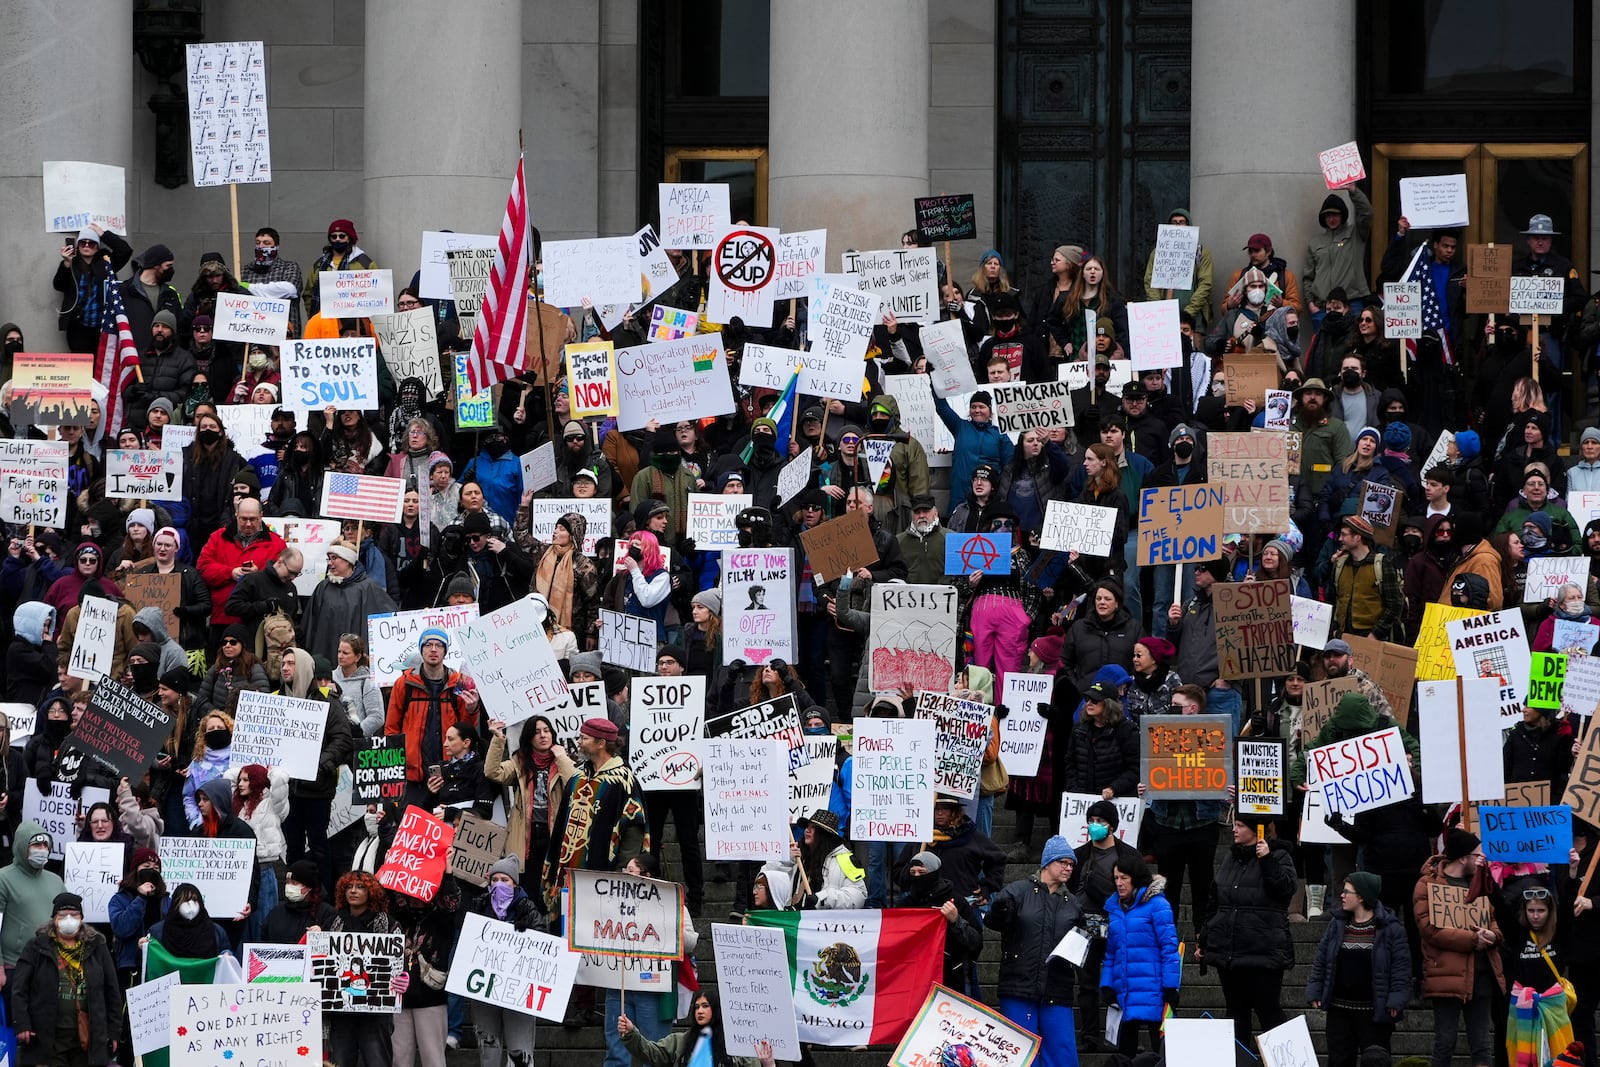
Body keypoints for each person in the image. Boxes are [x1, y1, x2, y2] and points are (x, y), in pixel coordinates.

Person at [986, 836, 1084, 1067]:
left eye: (1071, 864)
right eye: (1063, 862)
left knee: (1063, 1053)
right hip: (1018, 986)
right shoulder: (1017, 891)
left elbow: (1081, 943)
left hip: (1057, 987)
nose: (1068, 868)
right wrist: (999, 911)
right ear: (1047, 863)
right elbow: (994, 923)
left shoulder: (1073, 903)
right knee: (1019, 1054)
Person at [1198, 819, 1296, 1050]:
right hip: (1231, 956)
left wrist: (1267, 860)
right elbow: (1216, 902)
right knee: (1235, 1015)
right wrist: (1204, 939)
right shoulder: (1231, 857)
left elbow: (1284, 891)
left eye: (1240, 825)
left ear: (1256, 829)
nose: (1234, 829)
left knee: (1269, 1014)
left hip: (1263, 954)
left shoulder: (1279, 856)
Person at [1413, 829, 1504, 1067]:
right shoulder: (1428, 884)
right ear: (1463, 857)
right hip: (1446, 975)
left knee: (1482, 1044)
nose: (1482, 859)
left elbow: (1493, 920)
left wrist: (1492, 935)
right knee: (1445, 1042)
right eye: (1478, 855)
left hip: (1482, 974)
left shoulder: (1479, 882)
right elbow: (1430, 929)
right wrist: (1473, 940)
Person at [541, 718, 649, 914]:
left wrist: (623, 870)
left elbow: (633, 826)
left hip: (604, 873)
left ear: (601, 743)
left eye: (584, 738)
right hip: (569, 870)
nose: (579, 742)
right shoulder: (577, 777)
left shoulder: (623, 780)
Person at [1307, 872, 1411, 1066]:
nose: (1342, 896)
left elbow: (1401, 968)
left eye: (1347, 892)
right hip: (1339, 1011)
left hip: (1373, 1012)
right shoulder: (1337, 924)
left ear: (1362, 896)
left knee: (1375, 1060)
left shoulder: (1390, 928)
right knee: (1338, 1060)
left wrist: (1396, 1000)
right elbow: (1321, 960)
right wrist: (1315, 990)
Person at [11, 892, 121, 1067]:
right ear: (54, 919)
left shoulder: (97, 946)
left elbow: (112, 991)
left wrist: (114, 1031)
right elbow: (19, 989)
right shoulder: (37, 947)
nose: (68, 919)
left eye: (74, 915)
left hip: (88, 1037)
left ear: (82, 918)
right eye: (62, 915)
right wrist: (22, 1023)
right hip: (47, 1036)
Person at [1100, 853, 1181, 1058]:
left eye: (1124, 878)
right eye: (1116, 878)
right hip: (1125, 990)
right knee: (1125, 1053)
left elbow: (1169, 948)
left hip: (1154, 989)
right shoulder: (1114, 909)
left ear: (1135, 877)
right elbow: (1111, 953)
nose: (1119, 883)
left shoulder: (1157, 905)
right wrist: (1107, 984)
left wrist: (1171, 985)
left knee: (1161, 1051)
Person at [385, 628, 480, 802]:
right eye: (428, 645)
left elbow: (467, 732)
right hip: (414, 777)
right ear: (421, 650)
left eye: (439, 645)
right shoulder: (404, 684)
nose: (433, 649)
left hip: (450, 774)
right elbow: (391, 729)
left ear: (445, 651)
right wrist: (396, 767)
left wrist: (472, 709)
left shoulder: (458, 683)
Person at [473, 857, 542, 1067]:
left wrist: (527, 935)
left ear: (515, 884)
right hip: (486, 989)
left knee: (519, 1051)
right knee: (488, 1048)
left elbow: (542, 944)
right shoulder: (480, 906)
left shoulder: (528, 910)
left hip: (517, 991)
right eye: (495, 879)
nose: (499, 884)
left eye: (505, 879)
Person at [328, 872, 396, 1067]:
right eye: (349, 887)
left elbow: (398, 962)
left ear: (371, 892)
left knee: (377, 1062)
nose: (353, 891)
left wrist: (401, 977)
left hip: (375, 1014)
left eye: (360, 887)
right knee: (339, 1062)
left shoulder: (389, 925)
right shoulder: (333, 922)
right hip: (342, 1013)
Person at [617, 991, 776, 1067]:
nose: (699, 1011)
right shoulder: (680, 1041)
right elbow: (650, 1052)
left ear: (717, 1010)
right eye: (697, 1007)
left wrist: (768, 1065)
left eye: (705, 1006)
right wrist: (631, 1033)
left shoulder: (737, 1046)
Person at [0, 823, 69, 983]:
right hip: (15, 967)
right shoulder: (3, 878)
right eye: (37, 844)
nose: (42, 849)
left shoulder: (55, 881)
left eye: (46, 845)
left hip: (50, 966)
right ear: (22, 846)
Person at [777, 811, 866, 909]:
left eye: (814, 828)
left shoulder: (844, 858)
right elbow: (767, 882)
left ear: (825, 835)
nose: (807, 830)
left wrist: (822, 899)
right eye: (807, 826)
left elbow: (858, 896)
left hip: (823, 921)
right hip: (792, 919)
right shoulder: (796, 854)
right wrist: (787, 861)